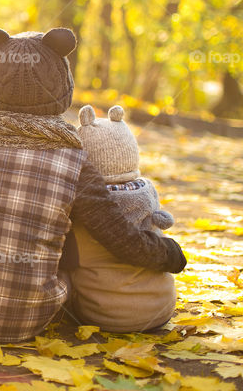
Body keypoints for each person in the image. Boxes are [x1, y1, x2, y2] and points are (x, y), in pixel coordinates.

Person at [0, 27, 187, 342]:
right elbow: (117, 235)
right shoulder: (75, 163)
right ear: (62, 84)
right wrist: (170, 254)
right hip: (27, 319)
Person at [63, 104, 177, 331]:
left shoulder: (82, 204)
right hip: (161, 309)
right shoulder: (147, 195)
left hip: (102, 316)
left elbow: (64, 259)